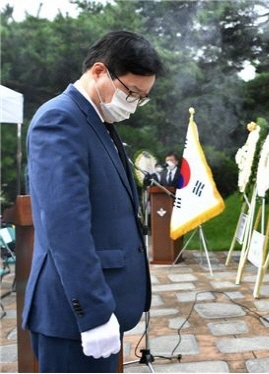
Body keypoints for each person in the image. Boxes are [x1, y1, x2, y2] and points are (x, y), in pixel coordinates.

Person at [23, 30, 164, 372]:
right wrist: (94, 314)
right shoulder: (60, 119)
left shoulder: (98, 122)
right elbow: (66, 227)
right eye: (131, 92)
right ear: (100, 71)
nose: (133, 104)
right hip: (74, 314)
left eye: (142, 98)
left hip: (103, 305)